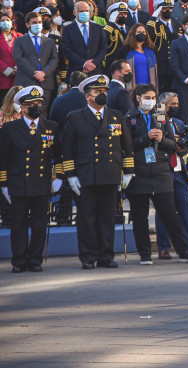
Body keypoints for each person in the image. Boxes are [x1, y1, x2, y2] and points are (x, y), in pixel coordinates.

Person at [124, 84, 188, 265]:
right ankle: (145, 254)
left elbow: (171, 144)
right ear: (138, 98)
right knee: (140, 216)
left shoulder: (159, 113)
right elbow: (126, 145)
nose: (150, 101)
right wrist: (147, 137)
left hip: (161, 171)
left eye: (153, 98)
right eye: (147, 97)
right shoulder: (129, 116)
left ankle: (184, 251)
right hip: (139, 171)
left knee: (170, 213)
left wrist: (161, 139)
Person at [61, 74, 135, 269]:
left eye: (104, 92)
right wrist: (70, 175)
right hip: (86, 176)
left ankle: (106, 256)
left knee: (107, 218)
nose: (102, 95)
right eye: (97, 92)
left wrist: (128, 171)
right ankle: (88, 256)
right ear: (87, 96)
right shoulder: (75, 116)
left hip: (110, 174)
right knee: (87, 219)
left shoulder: (116, 116)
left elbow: (126, 145)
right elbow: (67, 149)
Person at [0, 86, 59, 272]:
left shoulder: (50, 127)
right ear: (22, 108)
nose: (36, 106)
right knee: (18, 224)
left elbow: (58, 154)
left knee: (39, 224)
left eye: (39, 103)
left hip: (41, 182)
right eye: (31, 104)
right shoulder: (10, 128)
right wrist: (3, 184)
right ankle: (19, 260)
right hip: (18, 184)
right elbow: (3, 158)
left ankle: (35, 260)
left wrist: (60, 177)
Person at [153, 92, 188, 260]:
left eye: (177, 103)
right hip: (163, 169)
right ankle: (163, 247)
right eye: (171, 103)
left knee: (185, 208)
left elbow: (185, 146)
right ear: (162, 104)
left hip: (178, 171)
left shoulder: (178, 123)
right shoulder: (156, 119)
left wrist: (180, 147)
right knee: (164, 209)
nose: (175, 106)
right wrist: (170, 141)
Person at [13, 12, 58, 110]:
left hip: (45, 83)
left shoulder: (49, 41)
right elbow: (19, 59)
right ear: (27, 24)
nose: (38, 24)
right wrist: (35, 73)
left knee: (42, 111)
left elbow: (54, 59)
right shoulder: (19, 41)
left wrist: (44, 72)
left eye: (39, 22)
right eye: (34, 22)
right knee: (25, 111)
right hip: (26, 81)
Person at [125, 23, 158, 88]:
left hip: (149, 86)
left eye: (143, 32)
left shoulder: (152, 49)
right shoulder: (126, 50)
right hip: (133, 86)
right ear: (133, 33)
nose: (141, 34)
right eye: (139, 32)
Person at [0, 13, 21, 100]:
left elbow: (24, 54)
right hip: (2, 79)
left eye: (8, 20)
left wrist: (17, 68)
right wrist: (7, 70)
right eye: (2, 20)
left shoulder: (20, 36)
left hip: (18, 78)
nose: (6, 22)